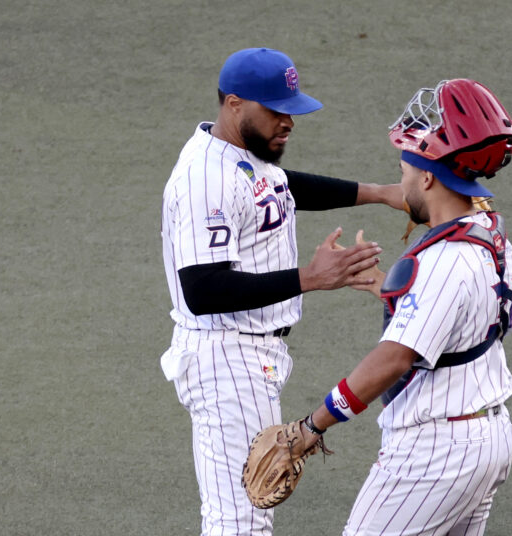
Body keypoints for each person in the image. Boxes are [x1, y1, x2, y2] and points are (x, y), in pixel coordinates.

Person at [159, 47, 403, 536]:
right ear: (233, 104)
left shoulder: (244, 157)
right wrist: (312, 277)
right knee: (241, 521)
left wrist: (379, 193)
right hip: (226, 359)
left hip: (251, 355)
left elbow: (282, 187)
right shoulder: (206, 177)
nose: (287, 121)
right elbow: (202, 289)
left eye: (291, 109)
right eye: (275, 110)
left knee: (247, 515)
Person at [298, 78, 512, 535]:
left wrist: (312, 425)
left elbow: (394, 358)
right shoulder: (491, 234)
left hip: (436, 453)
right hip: (488, 436)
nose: (400, 180)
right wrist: (393, 293)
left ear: (427, 176)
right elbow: (469, 324)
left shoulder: (444, 259)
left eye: (403, 170)